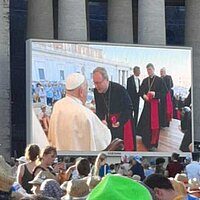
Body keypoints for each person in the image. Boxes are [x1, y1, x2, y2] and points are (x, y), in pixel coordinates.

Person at [48, 73, 111, 151]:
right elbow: (103, 140)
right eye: (86, 89)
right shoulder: (86, 114)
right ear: (81, 92)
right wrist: (104, 126)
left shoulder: (57, 106)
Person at [93, 67, 136, 151]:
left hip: (123, 123)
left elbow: (129, 108)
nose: (96, 86)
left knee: (123, 149)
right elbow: (99, 109)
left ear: (106, 80)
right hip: (109, 123)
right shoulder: (96, 91)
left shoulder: (120, 89)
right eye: (95, 83)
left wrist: (120, 121)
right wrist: (102, 119)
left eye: (98, 83)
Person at [137, 63, 164, 151]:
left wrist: (155, 94)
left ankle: (152, 143)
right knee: (146, 124)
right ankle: (145, 141)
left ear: (153, 69)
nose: (149, 71)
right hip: (147, 106)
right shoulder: (145, 80)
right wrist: (143, 95)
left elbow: (164, 94)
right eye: (147, 70)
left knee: (154, 125)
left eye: (150, 69)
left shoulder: (159, 80)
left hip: (155, 107)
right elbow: (140, 91)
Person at [127, 66, 141, 130]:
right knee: (130, 113)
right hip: (131, 99)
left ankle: (135, 127)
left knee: (136, 113)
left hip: (137, 99)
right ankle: (130, 127)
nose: (140, 72)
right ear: (135, 71)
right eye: (139, 71)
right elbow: (128, 90)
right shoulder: (129, 79)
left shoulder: (139, 80)